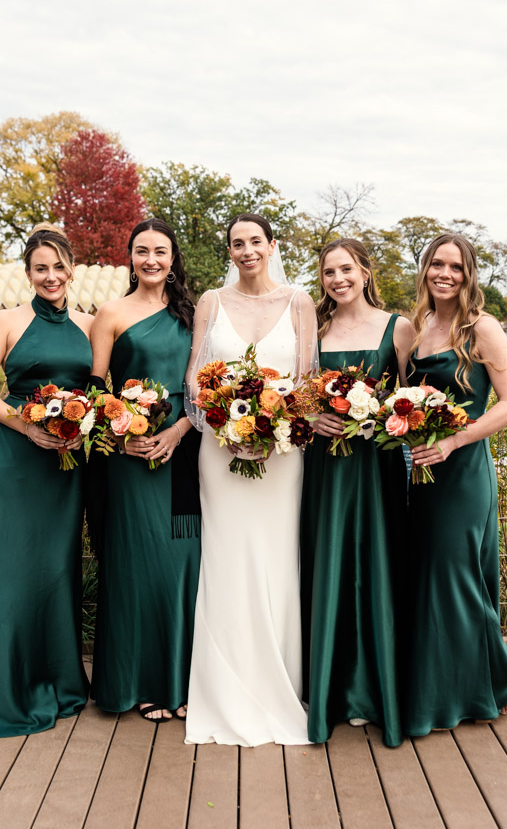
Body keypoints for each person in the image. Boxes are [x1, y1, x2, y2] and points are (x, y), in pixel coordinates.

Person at [184, 214, 318, 746]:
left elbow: (308, 382)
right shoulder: (210, 303)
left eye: (254, 241)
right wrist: (223, 425)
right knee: (227, 558)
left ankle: (281, 680)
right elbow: (194, 377)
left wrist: (274, 431)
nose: (246, 251)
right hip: (220, 453)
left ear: (272, 245)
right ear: (230, 250)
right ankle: (223, 688)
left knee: (276, 558)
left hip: (282, 457)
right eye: (236, 243)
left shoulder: (300, 302)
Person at [404, 233, 507, 735]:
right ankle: (445, 685)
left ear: (469, 273)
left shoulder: (482, 327)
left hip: (461, 470)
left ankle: (502, 675)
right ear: (425, 270)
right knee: (430, 575)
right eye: (437, 264)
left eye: (455, 267)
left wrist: (454, 442)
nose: (445, 274)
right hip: (421, 468)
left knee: (457, 576)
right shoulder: (419, 327)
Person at [0, 223, 93, 737]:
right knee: (16, 567)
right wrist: (25, 425)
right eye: (40, 268)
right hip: (19, 461)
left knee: (57, 567)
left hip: (67, 462)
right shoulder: (5, 321)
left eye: (58, 267)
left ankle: (61, 683)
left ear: (70, 270)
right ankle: (10, 688)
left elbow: (100, 391)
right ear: (28, 273)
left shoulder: (89, 323)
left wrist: (85, 427)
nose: (51, 276)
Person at [300, 239, 412, 747]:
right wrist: (311, 415)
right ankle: (329, 689)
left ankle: (373, 688)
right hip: (327, 466)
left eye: (346, 269)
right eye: (328, 272)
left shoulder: (399, 327)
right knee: (330, 564)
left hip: (377, 465)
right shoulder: (315, 331)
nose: (337, 279)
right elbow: (300, 394)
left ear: (365, 272)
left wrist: (383, 413)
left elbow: (412, 398)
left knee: (377, 565)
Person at [89, 218, 200, 723]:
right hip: (128, 457)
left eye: (160, 251)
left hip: (185, 448)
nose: (151, 259)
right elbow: (95, 388)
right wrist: (121, 427)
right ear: (129, 258)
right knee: (133, 568)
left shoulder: (195, 315)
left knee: (181, 568)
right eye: (141, 251)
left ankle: (178, 682)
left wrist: (177, 432)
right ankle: (132, 684)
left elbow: (206, 385)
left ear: (174, 258)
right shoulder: (111, 314)